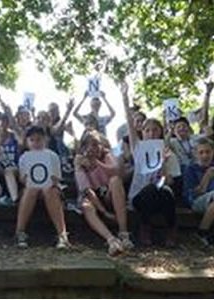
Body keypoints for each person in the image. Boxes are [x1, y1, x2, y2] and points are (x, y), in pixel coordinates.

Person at [121, 82, 180, 247]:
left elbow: (169, 182)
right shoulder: (138, 147)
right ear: (142, 133)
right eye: (147, 130)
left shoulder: (167, 151)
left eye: (155, 130)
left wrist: (163, 166)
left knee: (162, 191)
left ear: (160, 132)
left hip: (161, 195)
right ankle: (145, 228)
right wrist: (125, 97)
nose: (151, 133)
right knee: (148, 191)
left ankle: (171, 230)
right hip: (140, 196)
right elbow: (129, 122)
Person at [75, 130, 133, 256]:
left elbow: (115, 171)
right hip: (92, 197)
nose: (93, 148)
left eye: (96, 144)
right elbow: (86, 189)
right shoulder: (79, 161)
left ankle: (123, 233)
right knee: (86, 205)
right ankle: (111, 240)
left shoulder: (106, 156)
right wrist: (104, 212)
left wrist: (97, 163)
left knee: (115, 181)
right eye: (89, 145)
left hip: (108, 193)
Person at [15, 126, 70, 249]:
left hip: (49, 188)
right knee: (30, 190)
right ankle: (20, 232)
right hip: (32, 189)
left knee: (50, 191)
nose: (35, 143)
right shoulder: (24, 157)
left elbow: (57, 178)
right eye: (32, 140)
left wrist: (49, 183)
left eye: (38, 139)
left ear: (45, 140)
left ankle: (62, 234)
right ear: (27, 142)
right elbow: (23, 179)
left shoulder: (52, 156)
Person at [183, 137, 214, 246]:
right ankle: (201, 233)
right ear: (196, 154)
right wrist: (207, 177)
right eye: (201, 152)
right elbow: (195, 194)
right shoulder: (191, 169)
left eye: (208, 152)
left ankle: (204, 233)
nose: (205, 155)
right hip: (197, 201)